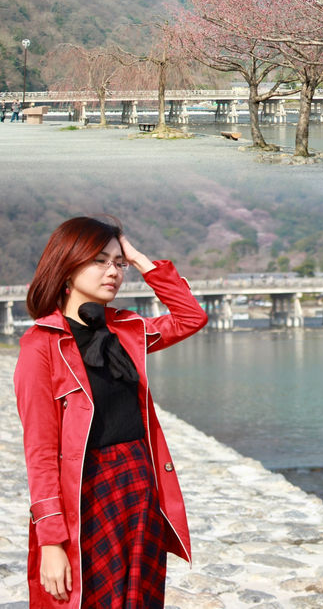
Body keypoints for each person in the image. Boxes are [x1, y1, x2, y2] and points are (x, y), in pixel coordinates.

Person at [14, 216, 208, 608]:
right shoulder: (41, 346)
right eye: (99, 260)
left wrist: (139, 259)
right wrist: (51, 540)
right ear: (67, 264)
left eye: (118, 264)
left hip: (140, 486)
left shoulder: (127, 331)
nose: (112, 272)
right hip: (85, 493)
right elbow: (40, 450)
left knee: (140, 600)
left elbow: (191, 317)